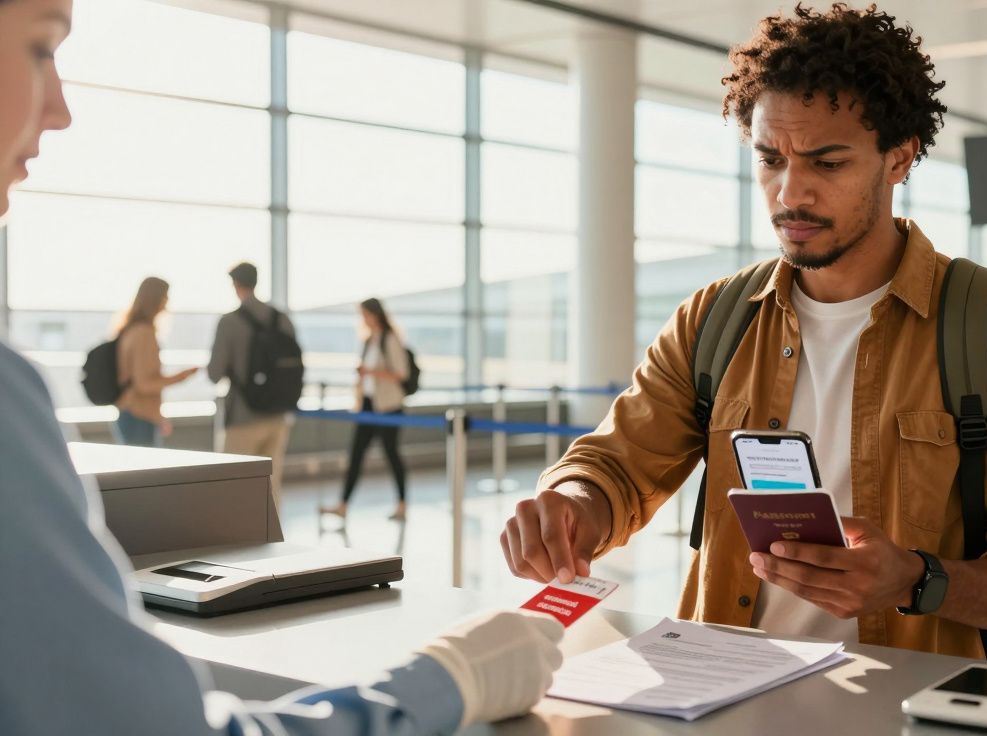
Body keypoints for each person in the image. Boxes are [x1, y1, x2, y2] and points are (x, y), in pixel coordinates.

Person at [0, 2, 564, 734]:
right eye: (42, 50)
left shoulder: (229, 325)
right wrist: (449, 681)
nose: (62, 109)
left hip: (243, 417)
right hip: (280, 420)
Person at [501, 4, 987, 660]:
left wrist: (919, 579)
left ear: (898, 159)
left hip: (910, 705)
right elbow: (614, 465)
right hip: (725, 694)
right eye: (770, 160)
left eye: (827, 163)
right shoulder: (714, 320)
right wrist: (570, 505)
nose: (791, 193)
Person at [208, 262, 298, 505]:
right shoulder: (282, 319)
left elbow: (214, 373)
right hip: (278, 415)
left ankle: (236, 539)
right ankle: (271, 539)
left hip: (243, 415)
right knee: (270, 485)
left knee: (233, 486)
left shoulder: (229, 322)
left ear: (236, 285)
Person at [321, 298, 410, 521]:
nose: (363, 319)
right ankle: (343, 505)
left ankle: (402, 504)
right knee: (357, 454)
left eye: (365, 314)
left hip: (389, 406)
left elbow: (401, 373)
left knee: (391, 455)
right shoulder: (369, 340)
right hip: (369, 404)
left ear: (374, 314)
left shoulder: (389, 339)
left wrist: (371, 371)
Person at [113, 276, 199, 446]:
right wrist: (181, 377)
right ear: (155, 299)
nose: (167, 302)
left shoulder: (130, 330)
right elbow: (143, 384)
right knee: (143, 471)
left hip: (134, 413)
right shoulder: (144, 333)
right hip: (139, 416)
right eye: (165, 297)